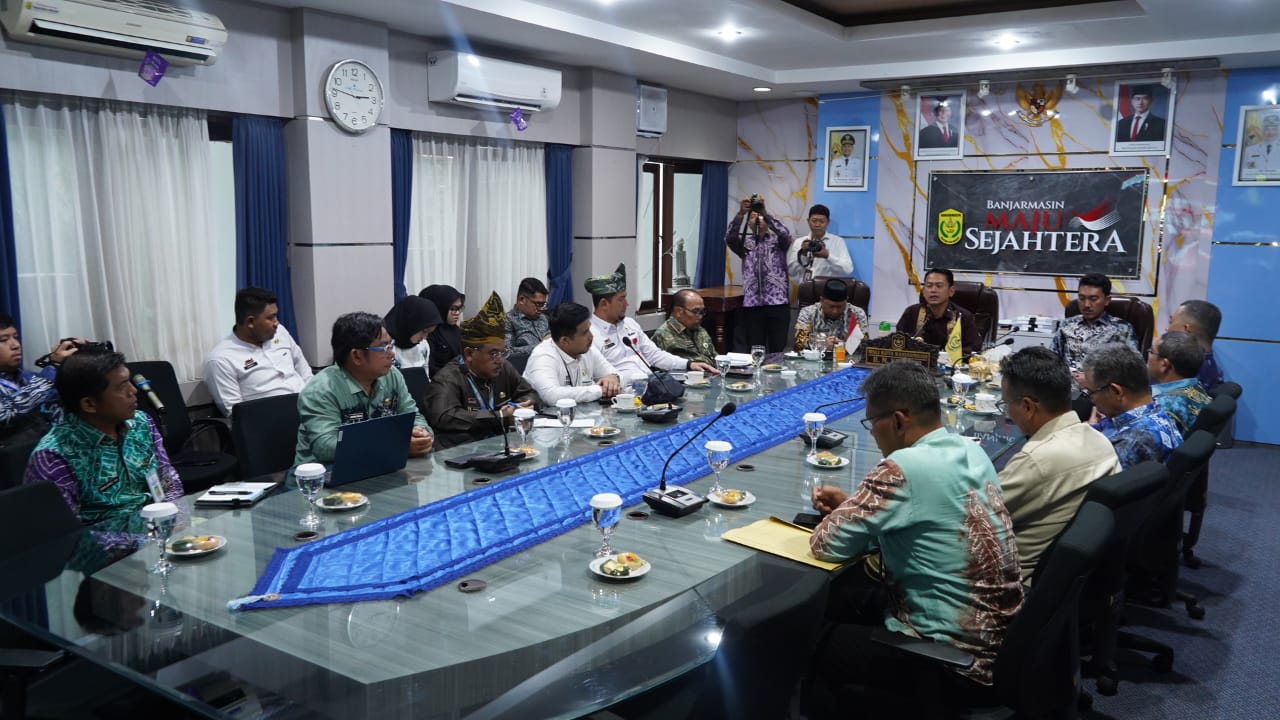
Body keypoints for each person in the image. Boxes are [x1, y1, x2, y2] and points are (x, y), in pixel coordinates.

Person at [804, 360, 1022, 710]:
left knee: (807, 639)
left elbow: (825, 544)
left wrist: (849, 513)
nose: (871, 433)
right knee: (847, 598)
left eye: (872, 422)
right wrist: (857, 508)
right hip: (1003, 645)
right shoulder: (970, 449)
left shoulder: (901, 468)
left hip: (950, 660)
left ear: (898, 420)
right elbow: (927, 517)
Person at [996, 347, 1121, 584]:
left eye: (1006, 404)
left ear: (1027, 407)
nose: (1007, 412)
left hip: (1011, 583)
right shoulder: (1100, 441)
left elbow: (972, 520)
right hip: (1070, 581)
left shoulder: (1036, 460)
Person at [24, 350, 184, 524]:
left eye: (129, 381)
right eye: (122, 387)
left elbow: (169, 482)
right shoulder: (53, 455)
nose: (133, 391)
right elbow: (63, 532)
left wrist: (178, 525)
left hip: (160, 527)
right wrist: (146, 536)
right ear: (89, 404)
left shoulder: (141, 422)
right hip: (107, 538)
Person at [294, 312, 433, 466]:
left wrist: (421, 434)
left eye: (391, 345)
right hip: (323, 474)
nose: (392, 353)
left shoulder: (392, 375)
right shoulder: (321, 390)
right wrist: (397, 444)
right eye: (384, 347)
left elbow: (413, 415)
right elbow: (326, 447)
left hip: (379, 465)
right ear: (357, 356)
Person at [425, 292, 538, 449]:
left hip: (502, 445)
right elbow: (445, 416)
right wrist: (500, 416)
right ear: (469, 354)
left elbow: (531, 394)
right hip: (464, 452)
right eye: (493, 353)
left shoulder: (503, 368)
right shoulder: (448, 378)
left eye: (503, 352)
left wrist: (520, 408)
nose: (499, 359)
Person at [585, 264, 715, 385]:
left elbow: (654, 355)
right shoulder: (590, 334)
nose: (627, 303)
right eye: (621, 299)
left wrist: (688, 364)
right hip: (626, 392)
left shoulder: (629, 324)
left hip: (653, 385)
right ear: (604, 304)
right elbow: (601, 376)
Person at [204, 287, 313, 417]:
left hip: (310, 410)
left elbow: (305, 372)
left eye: (276, 315)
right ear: (250, 322)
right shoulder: (221, 360)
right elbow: (236, 414)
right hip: (272, 421)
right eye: (270, 318)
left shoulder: (280, 332)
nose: (276, 323)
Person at [1082, 343, 1182, 468]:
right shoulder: (1156, 409)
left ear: (1116, 391)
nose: (1092, 401)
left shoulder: (1130, 441)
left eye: (1091, 392)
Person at [725, 195, 793, 353]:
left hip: (778, 303)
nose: (757, 219)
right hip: (753, 305)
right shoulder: (745, 244)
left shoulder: (778, 242)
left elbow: (785, 234)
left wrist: (765, 213)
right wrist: (741, 214)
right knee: (755, 350)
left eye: (760, 216)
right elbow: (730, 238)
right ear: (748, 223)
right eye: (753, 216)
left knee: (778, 349)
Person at [522, 302, 621, 405]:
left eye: (589, 329)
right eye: (585, 333)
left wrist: (613, 378)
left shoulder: (587, 349)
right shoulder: (542, 356)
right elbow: (551, 396)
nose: (591, 336)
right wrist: (600, 390)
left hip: (582, 413)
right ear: (565, 341)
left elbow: (614, 373)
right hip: (549, 414)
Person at [1, 314, 79, 444]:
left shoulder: (32, 378)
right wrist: (53, 367)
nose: (16, 345)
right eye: (3, 340)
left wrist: (80, 361)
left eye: (15, 337)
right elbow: (5, 413)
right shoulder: (43, 380)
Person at [1052, 273, 1137, 372]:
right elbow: (1051, 360)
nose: (1086, 305)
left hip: (1102, 380)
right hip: (1066, 380)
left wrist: (1091, 378)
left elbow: (1132, 369)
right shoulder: (1066, 325)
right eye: (1082, 298)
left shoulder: (1122, 329)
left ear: (1107, 300)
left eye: (1093, 299)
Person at [894, 268, 981, 356]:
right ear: (923, 291)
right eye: (929, 286)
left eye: (939, 286)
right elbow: (898, 342)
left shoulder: (963, 317)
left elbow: (973, 348)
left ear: (951, 291)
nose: (933, 290)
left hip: (951, 363)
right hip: (916, 363)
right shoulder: (912, 312)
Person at [1148, 331, 1212, 436]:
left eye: (1151, 352)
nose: (1148, 357)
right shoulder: (1196, 387)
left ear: (1164, 365)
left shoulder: (1162, 407)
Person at [794, 278, 868, 357]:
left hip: (847, 360)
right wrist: (822, 344)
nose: (835, 311)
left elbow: (865, 343)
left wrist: (844, 346)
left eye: (839, 307)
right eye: (831, 306)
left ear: (846, 301)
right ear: (821, 300)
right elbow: (800, 342)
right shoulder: (808, 312)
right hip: (816, 360)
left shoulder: (857, 313)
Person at [786, 204, 854, 285]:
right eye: (814, 221)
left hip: (829, 289)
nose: (817, 225)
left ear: (828, 222)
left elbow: (848, 269)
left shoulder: (837, 241)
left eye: (822, 221)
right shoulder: (799, 242)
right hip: (805, 289)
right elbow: (791, 271)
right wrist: (803, 254)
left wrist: (828, 256)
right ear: (808, 221)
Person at [651, 289, 718, 367]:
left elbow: (713, 356)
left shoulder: (699, 330)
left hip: (711, 371)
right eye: (695, 311)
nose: (700, 316)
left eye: (702, 312)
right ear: (679, 311)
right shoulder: (664, 335)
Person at [1167, 299, 1224, 389]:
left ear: (1186, 329)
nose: (1167, 328)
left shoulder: (1180, 371)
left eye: (1171, 322)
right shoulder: (1215, 370)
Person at [383, 295, 442, 370]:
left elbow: (425, 374)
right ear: (411, 322)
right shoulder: (385, 346)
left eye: (429, 333)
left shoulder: (423, 346)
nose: (424, 337)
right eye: (424, 331)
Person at [420, 285, 465, 379]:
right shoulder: (428, 333)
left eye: (459, 308)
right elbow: (429, 368)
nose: (457, 313)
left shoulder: (457, 331)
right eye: (452, 308)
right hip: (441, 382)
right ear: (440, 308)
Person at [505, 277, 551, 366]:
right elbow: (507, 353)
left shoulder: (544, 318)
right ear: (521, 300)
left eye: (543, 304)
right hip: (525, 368)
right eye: (538, 304)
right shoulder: (508, 320)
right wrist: (541, 345)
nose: (541, 309)